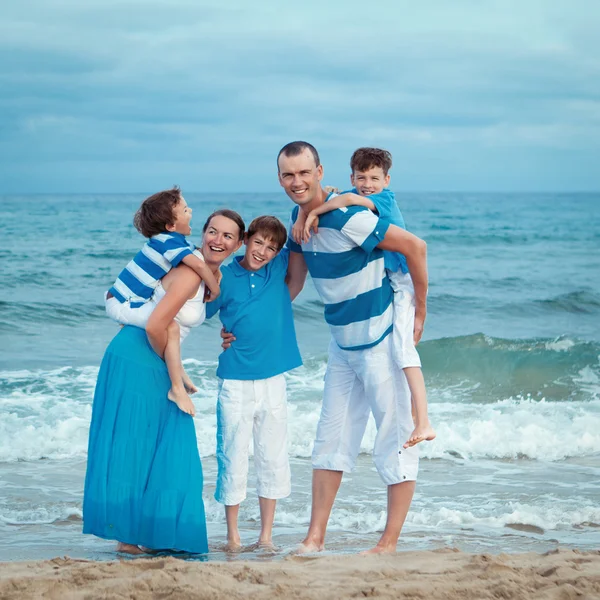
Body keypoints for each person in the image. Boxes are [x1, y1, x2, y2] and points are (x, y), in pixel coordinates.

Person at [278, 141, 428, 554]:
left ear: (320, 171)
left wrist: (420, 312)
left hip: (380, 340)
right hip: (342, 344)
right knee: (330, 440)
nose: (296, 181)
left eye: (304, 173)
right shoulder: (299, 218)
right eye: (288, 175)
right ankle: (315, 538)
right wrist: (242, 316)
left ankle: (388, 542)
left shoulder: (350, 215)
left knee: (395, 439)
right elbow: (292, 284)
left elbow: (415, 248)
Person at [83, 209, 245, 555]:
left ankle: (139, 537)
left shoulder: (211, 276)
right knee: (152, 443)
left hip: (154, 357)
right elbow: (158, 326)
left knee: (159, 445)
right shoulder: (190, 272)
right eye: (212, 231)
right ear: (202, 234)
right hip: (138, 355)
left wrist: (228, 334)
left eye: (227, 236)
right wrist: (173, 372)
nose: (218, 240)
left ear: (238, 244)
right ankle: (131, 538)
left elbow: (180, 325)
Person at [292, 147, 435, 447]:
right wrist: (305, 213)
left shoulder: (381, 198)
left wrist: (312, 211)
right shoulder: (357, 193)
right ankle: (416, 416)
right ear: (352, 177)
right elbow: (337, 193)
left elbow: (344, 200)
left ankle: (423, 420)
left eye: (374, 178)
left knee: (404, 350)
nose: (367, 184)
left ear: (387, 180)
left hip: (403, 279)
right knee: (400, 352)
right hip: (391, 277)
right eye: (361, 178)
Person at [206, 216, 302, 550]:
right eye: (258, 243)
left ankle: (266, 536)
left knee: (272, 456)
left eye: (272, 248)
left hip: (274, 379)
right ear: (246, 239)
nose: (263, 251)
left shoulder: (277, 270)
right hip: (235, 381)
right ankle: (232, 536)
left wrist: (310, 208)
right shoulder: (224, 276)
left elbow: (302, 234)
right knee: (233, 455)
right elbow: (195, 308)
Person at [105, 187, 221, 417]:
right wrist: (215, 288)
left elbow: (198, 258)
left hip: (127, 300)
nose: (191, 211)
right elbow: (198, 265)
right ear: (170, 225)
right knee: (171, 327)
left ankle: (178, 372)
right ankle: (176, 387)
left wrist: (215, 273)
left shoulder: (174, 241)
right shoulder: (168, 242)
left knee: (166, 324)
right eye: (186, 210)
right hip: (120, 303)